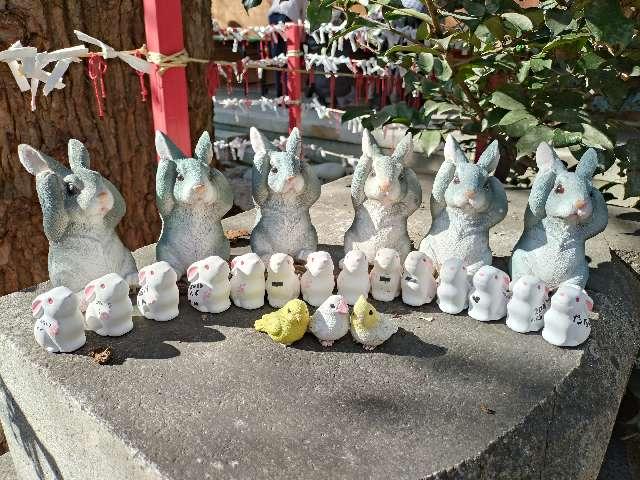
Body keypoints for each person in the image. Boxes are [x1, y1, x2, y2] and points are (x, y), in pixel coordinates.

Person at [268, 0, 307, 96]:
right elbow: (305, 14)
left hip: (273, 16)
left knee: (278, 59)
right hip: (286, 17)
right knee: (288, 59)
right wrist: (303, 36)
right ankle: (288, 94)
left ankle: (280, 94)